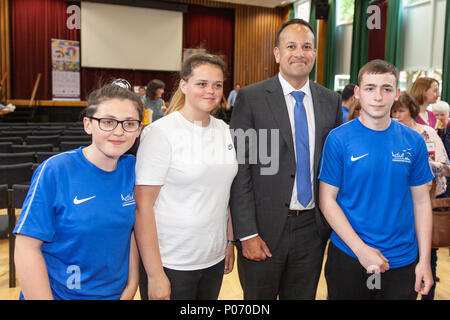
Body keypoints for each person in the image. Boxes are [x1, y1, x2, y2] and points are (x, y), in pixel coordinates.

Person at [229, 18, 342, 300]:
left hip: (312, 230)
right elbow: (241, 169)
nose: (299, 53)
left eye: (307, 47)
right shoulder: (252, 98)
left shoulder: (331, 101)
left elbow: (334, 167)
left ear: (315, 54)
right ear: (277, 53)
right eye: (291, 46)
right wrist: (247, 233)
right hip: (263, 230)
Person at [13, 83, 143, 299]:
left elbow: (131, 232)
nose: (119, 131)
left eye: (129, 123)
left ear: (139, 129)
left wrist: (131, 286)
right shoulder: (56, 170)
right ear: (88, 124)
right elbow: (27, 248)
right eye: (108, 122)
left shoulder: (134, 169)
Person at [319, 59, 434, 300]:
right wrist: (361, 250)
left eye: (386, 89)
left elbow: (422, 202)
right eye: (370, 88)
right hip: (350, 256)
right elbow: (327, 200)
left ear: (397, 94)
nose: (378, 96)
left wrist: (425, 261)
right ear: (358, 93)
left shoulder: (413, 141)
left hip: (402, 260)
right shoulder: (338, 139)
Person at [134, 53, 238, 300]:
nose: (210, 91)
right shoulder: (160, 133)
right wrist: (156, 274)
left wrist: (229, 241)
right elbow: (143, 207)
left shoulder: (224, 130)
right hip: (171, 261)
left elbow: (225, 193)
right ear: (183, 85)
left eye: (217, 85)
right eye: (202, 83)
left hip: (213, 258)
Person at [391, 91, 450, 300]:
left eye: (401, 111)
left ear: (412, 111)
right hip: (396, 207)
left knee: (427, 256)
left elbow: (445, 167)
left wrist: (423, 166)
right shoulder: (388, 134)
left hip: (425, 202)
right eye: (394, 111)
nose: (397, 115)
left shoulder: (426, 133)